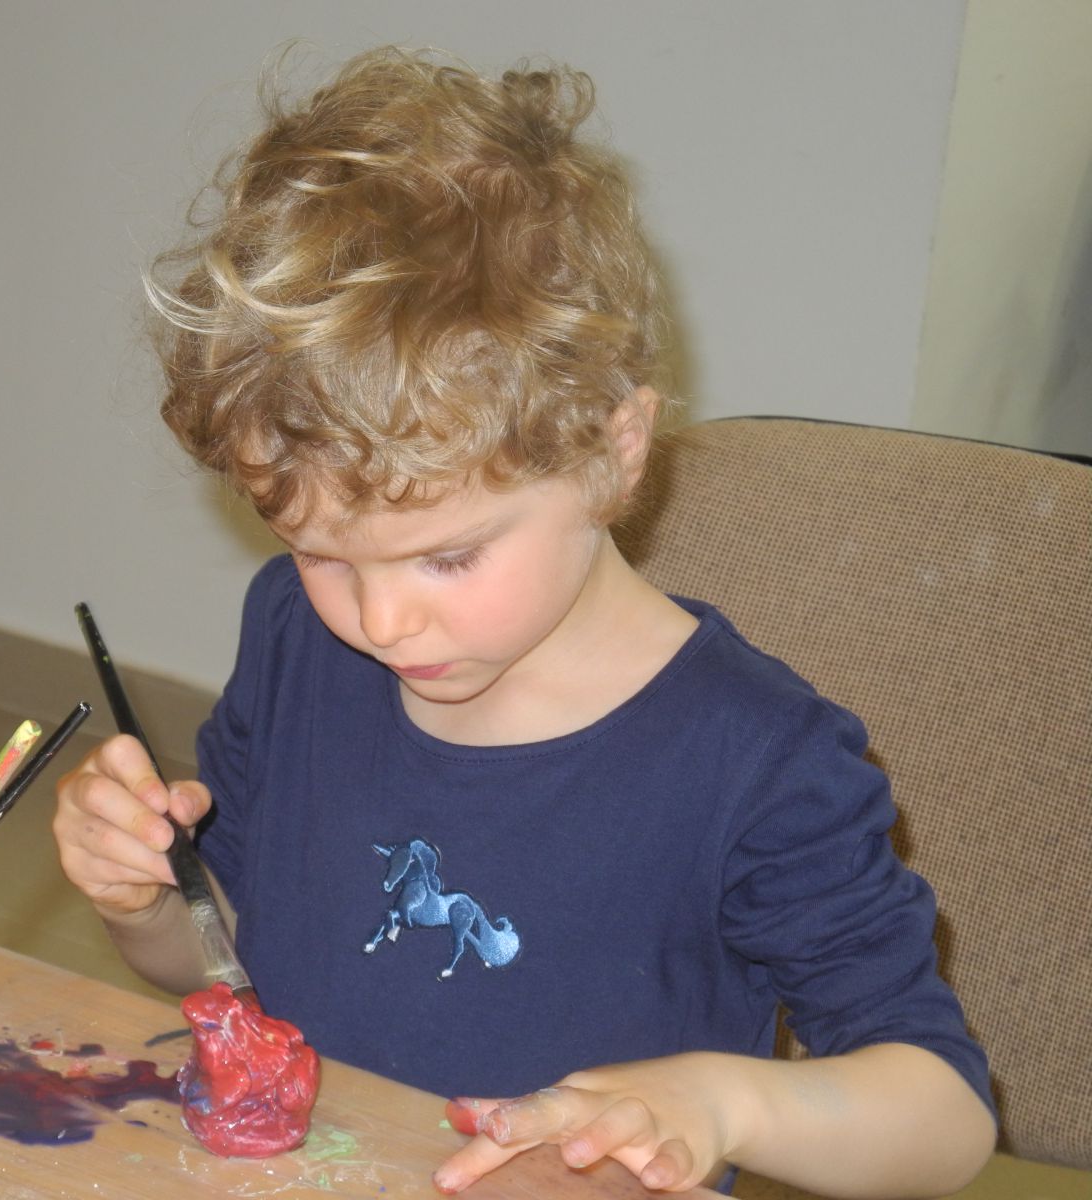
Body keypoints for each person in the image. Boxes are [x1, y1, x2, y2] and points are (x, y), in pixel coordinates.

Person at [53, 46, 996, 1196]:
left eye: (447, 555)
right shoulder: (298, 639)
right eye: (320, 553)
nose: (382, 620)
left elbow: (944, 1120)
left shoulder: (756, 762)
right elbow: (232, 961)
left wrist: (720, 1102)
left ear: (613, 453)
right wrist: (149, 899)